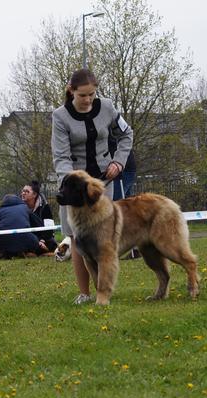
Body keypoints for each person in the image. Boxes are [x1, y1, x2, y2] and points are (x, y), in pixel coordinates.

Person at [51, 68, 133, 304]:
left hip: (104, 183)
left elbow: (127, 135)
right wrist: (74, 186)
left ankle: (104, 290)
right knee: (77, 238)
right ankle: (85, 292)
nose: (87, 100)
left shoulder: (107, 107)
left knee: (104, 239)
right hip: (74, 188)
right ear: (71, 91)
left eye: (92, 95)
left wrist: (119, 161)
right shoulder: (59, 117)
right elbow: (61, 157)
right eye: (82, 95)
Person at [21, 180, 58, 252]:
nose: (23, 193)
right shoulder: (19, 206)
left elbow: (49, 228)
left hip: (43, 236)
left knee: (52, 243)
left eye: (26, 191)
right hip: (28, 235)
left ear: (34, 194)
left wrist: (42, 240)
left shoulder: (45, 206)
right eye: (22, 191)